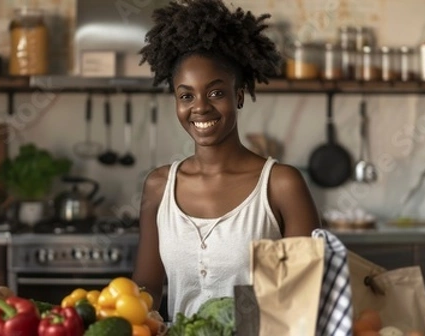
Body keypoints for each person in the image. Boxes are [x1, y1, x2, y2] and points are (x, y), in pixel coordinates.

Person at [131, 0, 321, 321]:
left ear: (240, 95)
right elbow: (147, 288)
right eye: (186, 95)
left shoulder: (281, 185)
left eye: (216, 92)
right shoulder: (158, 186)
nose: (200, 107)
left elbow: (305, 294)